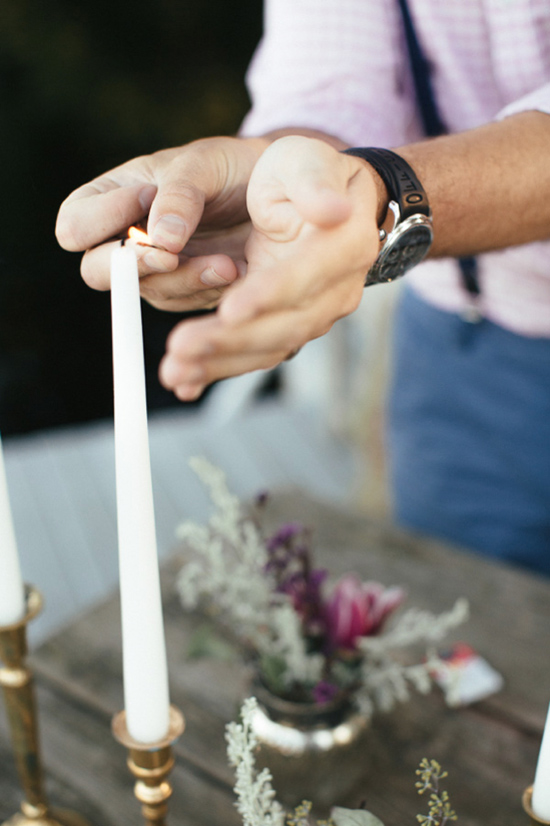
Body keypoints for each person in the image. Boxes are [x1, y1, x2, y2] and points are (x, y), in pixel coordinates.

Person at [55, 1, 550, 575]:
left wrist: (382, 192)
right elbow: (332, 80)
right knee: (472, 629)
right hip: (460, 356)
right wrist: (279, 170)